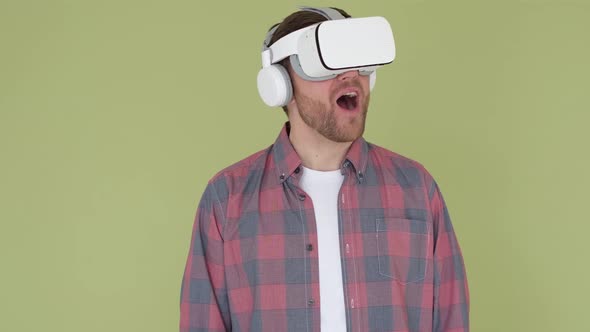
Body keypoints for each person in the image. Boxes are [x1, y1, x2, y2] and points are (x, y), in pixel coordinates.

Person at [180, 6, 469, 332]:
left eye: (357, 60)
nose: (349, 76)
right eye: (326, 63)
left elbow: (451, 320)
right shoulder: (226, 200)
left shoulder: (417, 190)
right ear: (281, 84)